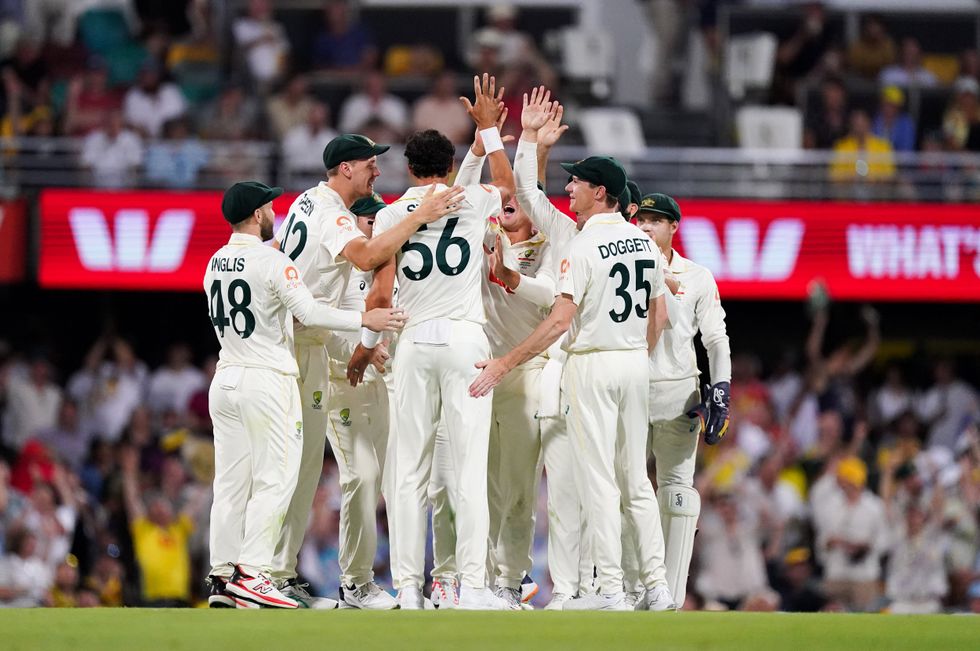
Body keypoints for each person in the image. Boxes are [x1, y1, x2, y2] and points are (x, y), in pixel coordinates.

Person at [469, 86, 673, 612]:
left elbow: (561, 314)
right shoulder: (646, 244)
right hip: (633, 365)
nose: (571, 190)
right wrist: (532, 137)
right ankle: (656, 586)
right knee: (635, 482)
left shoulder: (580, 244)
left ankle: (606, 590)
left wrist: (506, 359)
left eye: (579, 182)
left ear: (601, 192)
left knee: (597, 483)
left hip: (586, 365)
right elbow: (658, 313)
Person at [269, 135, 464, 609]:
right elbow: (364, 258)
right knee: (344, 471)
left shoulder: (304, 204)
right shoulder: (339, 221)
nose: (377, 172)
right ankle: (308, 578)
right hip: (316, 356)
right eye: (369, 165)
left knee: (322, 469)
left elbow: (292, 258)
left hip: (320, 353)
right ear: (345, 169)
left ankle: (280, 575)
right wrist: (417, 216)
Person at [350, 74, 516, 610]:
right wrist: (488, 131)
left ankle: (407, 588)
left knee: (407, 472)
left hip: (413, 340)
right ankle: (469, 587)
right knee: (467, 468)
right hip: (466, 340)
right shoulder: (470, 201)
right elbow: (509, 190)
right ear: (448, 167)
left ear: (408, 169)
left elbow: (376, 270)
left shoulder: (394, 213)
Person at [203, 180, 406, 609]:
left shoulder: (215, 262)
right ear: (258, 214)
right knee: (277, 478)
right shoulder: (274, 262)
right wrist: (365, 320)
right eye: (270, 207)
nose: (275, 212)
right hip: (268, 377)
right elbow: (310, 313)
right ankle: (254, 574)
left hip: (226, 377)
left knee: (231, 483)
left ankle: (222, 574)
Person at [452, 118, 559, 608]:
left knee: (516, 491)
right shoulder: (481, 238)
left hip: (526, 379)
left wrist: (512, 277)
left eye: (519, 205)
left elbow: (558, 298)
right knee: (473, 486)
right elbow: (465, 197)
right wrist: (486, 139)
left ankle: (510, 578)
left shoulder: (548, 250)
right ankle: (471, 578)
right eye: (504, 203)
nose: (508, 204)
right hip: (479, 377)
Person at [622, 192, 731, 610]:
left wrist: (720, 388)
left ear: (673, 227)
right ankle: (630, 588)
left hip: (679, 394)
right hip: (630, 390)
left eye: (655, 221)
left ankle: (669, 592)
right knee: (628, 490)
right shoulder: (624, 268)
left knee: (676, 493)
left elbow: (716, 339)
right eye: (641, 219)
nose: (646, 227)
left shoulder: (698, 276)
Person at [872, 86, 916, 153]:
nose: (888, 108)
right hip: (877, 160)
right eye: (886, 104)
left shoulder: (906, 123)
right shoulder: (875, 120)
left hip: (899, 161)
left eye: (892, 105)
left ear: (898, 107)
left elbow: (906, 148)